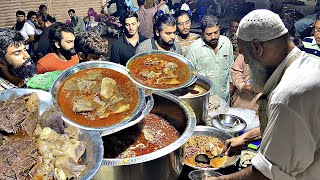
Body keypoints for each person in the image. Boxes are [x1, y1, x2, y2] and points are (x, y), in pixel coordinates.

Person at [207, 9, 320, 180]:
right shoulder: (307, 64)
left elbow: (267, 173)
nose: (244, 61)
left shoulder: (288, 97)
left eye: (244, 54)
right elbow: (282, 128)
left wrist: (219, 179)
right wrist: (245, 138)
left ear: (257, 47)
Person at [185, 15, 234, 103]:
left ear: (219, 28)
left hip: (224, 97)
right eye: (209, 34)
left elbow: (231, 67)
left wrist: (231, 88)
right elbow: (189, 77)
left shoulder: (226, 43)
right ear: (202, 32)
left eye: (216, 32)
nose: (213, 37)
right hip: (205, 99)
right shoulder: (193, 49)